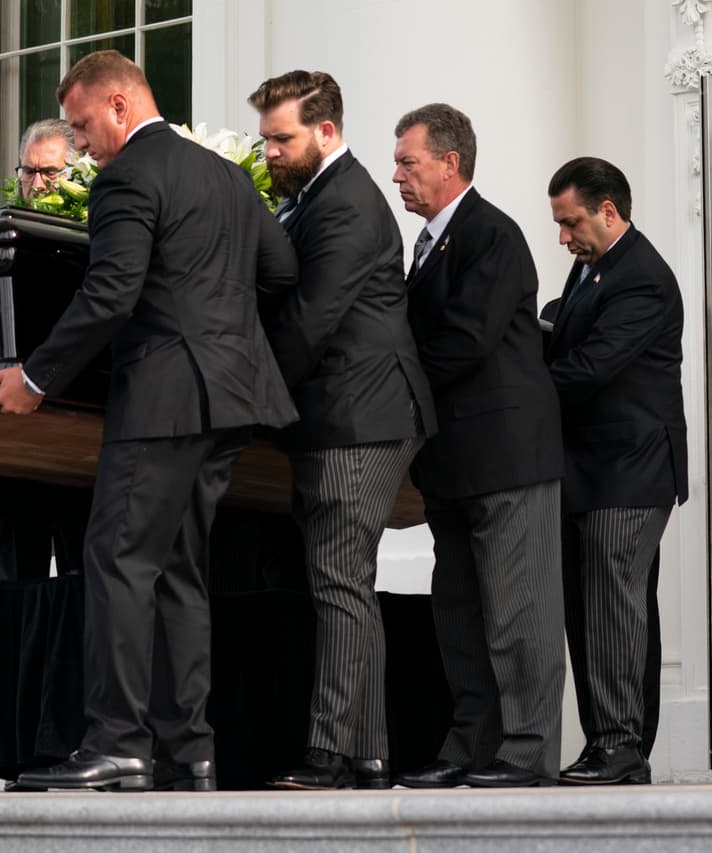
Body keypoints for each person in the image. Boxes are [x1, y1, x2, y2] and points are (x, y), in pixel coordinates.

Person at [0, 50, 299, 793]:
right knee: (181, 573)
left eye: (84, 124)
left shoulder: (128, 176)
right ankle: (189, 748)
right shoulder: (226, 175)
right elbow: (281, 269)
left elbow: (111, 292)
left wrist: (33, 377)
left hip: (162, 398)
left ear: (120, 106)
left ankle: (118, 743)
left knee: (118, 562)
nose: (83, 141)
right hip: (231, 398)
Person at [247, 70, 436, 791]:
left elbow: (308, 322)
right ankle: (365, 752)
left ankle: (332, 753)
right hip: (343, 416)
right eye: (265, 139)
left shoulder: (348, 203)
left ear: (325, 131)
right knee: (340, 581)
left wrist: (246, 391)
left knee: (338, 581)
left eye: (281, 138)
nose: (270, 152)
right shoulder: (316, 198)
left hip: (360, 417)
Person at [388, 103, 564, 788]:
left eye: (409, 161)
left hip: (508, 459)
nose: (396, 174)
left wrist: (390, 383)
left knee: (518, 615)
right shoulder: (429, 245)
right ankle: (471, 744)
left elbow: (464, 338)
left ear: (451, 163)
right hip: (455, 465)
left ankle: (525, 749)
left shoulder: (493, 234)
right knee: (460, 614)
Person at [545, 157, 688, 785]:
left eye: (571, 221)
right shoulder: (592, 268)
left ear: (609, 210)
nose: (563, 237)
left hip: (629, 468)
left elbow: (593, 366)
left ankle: (620, 742)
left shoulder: (643, 277)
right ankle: (612, 740)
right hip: (594, 469)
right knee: (597, 608)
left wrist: (521, 395)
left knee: (613, 607)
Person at [0, 118, 94, 583]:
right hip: (10, 448)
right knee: (9, 591)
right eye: (28, 172)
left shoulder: (101, 240)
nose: (37, 184)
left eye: (51, 172)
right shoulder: (1, 242)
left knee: (83, 588)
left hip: (80, 440)